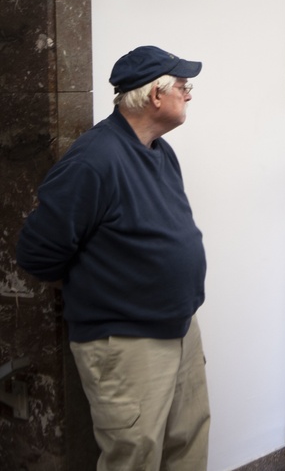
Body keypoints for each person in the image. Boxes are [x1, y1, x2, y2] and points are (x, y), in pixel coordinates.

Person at [16, 46, 210, 470]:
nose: (189, 94)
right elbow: (37, 252)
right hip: (127, 341)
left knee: (188, 444)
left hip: (178, 327)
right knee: (134, 457)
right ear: (156, 96)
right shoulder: (94, 159)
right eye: (183, 86)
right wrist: (109, 286)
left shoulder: (161, 151)